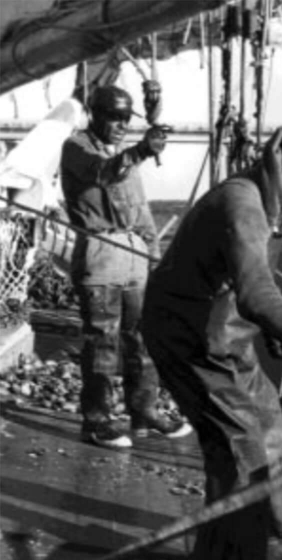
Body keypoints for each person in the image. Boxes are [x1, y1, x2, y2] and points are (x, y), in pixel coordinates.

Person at [141, 125, 282, 560]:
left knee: (271, 423)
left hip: (224, 335)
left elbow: (248, 284)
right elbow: (257, 292)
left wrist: (271, 333)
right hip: (189, 340)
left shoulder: (266, 198)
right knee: (239, 451)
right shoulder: (243, 205)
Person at [60, 85, 192, 449]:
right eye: (113, 117)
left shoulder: (124, 156)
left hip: (134, 252)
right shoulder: (76, 147)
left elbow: (142, 210)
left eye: (125, 119)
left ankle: (143, 411)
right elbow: (102, 173)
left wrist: (155, 256)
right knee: (101, 340)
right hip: (101, 252)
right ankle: (97, 421)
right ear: (94, 114)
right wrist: (140, 151)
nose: (120, 125)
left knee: (142, 338)